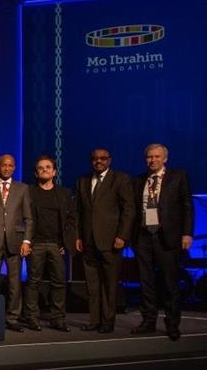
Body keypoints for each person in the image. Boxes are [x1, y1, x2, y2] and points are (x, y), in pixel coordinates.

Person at [131, 144, 193, 341]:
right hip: (143, 237)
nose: (153, 160)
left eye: (157, 157)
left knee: (169, 283)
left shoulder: (177, 176)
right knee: (145, 282)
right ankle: (148, 321)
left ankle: (172, 323)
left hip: (167, 237)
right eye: (149, 157)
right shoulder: (140, 180)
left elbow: (187, 207)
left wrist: (187, 234)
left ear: (165, 159)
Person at [75, 148, 134, 334]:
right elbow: (78, 212)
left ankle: (108, 322)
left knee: (109, 283)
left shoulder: (120, 179)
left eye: (102, 158)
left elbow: (128, 210)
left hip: (111, 241)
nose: (98, 161)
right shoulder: (83, 180)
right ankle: (94, 321)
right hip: (88, 241)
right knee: (92, 285)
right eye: (94, 159)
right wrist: (78, 236)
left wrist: (122, 236)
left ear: (109, 160)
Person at [0, 154, 33, 332]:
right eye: (4, 165)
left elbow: (29, 219)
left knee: (14, 282)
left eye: (10, 166)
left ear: (14, 168)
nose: (7, 168)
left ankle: (12, 318)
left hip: (15, 242)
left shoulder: (23, 189)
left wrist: (26, 240)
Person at [23, 155, 75, 332]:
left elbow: (70, 219)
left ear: (54, 172)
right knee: (33, 282)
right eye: (40, 168)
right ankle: (31, 317)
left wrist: (64, 242)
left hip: (56, 245)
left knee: (59, 282)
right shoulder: (29, 192)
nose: (44, 170)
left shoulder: (64, 193)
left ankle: (58, 318)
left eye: (47, 167)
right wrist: (27, 241)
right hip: (35, 244)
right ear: (36, 173)